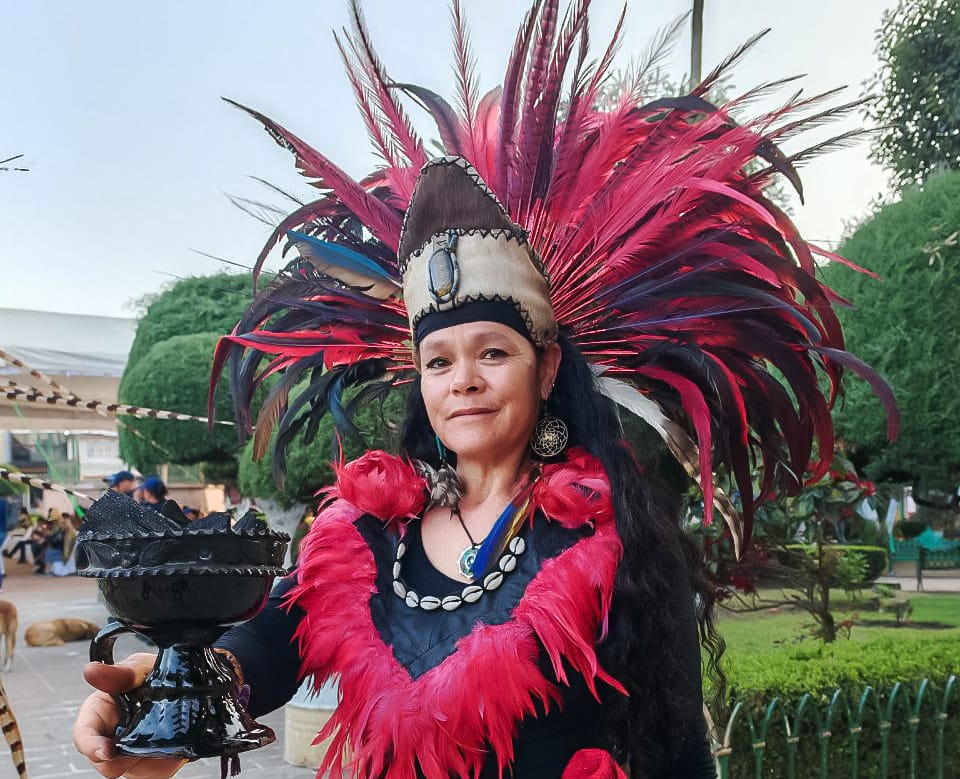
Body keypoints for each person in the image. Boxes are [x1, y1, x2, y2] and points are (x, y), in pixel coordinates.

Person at [73, 3, 896, 777]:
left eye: (492, 352)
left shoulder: (621, 543)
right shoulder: (365, 534)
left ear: (546, 368)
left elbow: (678, 752)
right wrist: (167, 692)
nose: (462, 378)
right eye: (438, 362)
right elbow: (269, 641)